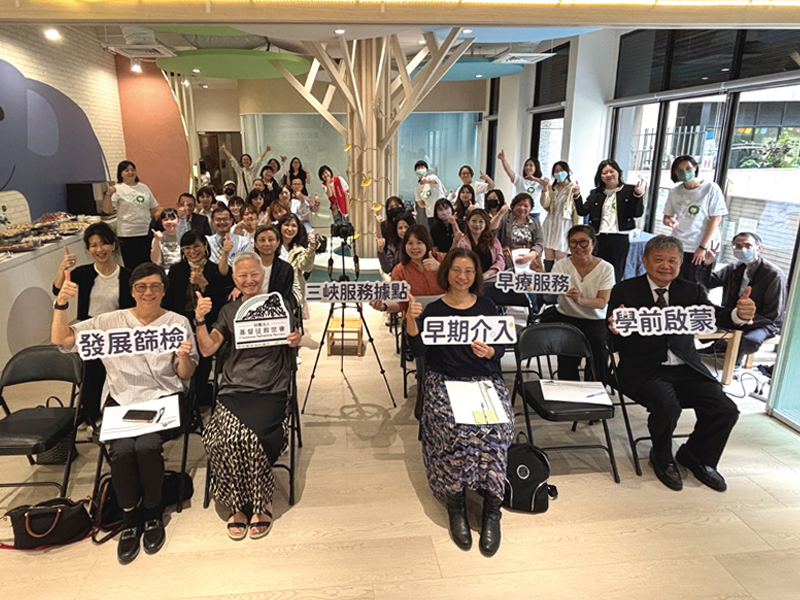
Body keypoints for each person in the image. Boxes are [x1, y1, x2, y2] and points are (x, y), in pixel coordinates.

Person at [52, 263, 198, 564]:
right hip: (121, 400)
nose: (148, 292)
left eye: (155, 286)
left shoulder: (177, 323)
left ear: (164, 290)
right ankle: (131, 516)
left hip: (162, 399)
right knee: (120, 450)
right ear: (132, 291)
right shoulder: (109, 322)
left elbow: (186, 374)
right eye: (141, 287)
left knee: (145, 447)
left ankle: (153, 512)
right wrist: (61, 303)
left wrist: (183, 355)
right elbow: (63, 339)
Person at [607, 235, 754, 492]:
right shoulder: (625, 290)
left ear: (680, 262)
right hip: (644, 369)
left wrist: (737, 314)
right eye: (659, 259)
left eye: (672, 260)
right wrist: (615, 331)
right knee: (667, 405)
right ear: (644, 261)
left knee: (725, 409)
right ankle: (662, 458)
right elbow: (610, 331)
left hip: (687, 367)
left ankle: (698, 457)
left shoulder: (691, 290)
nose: (666, 265)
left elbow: (713, 315)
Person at [407, 247, 513, 557]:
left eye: (468, 271)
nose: (462, 276)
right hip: (444, 380)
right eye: (456, 270)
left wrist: (491, 352)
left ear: (476, 275)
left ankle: (493, 507)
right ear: (446, 274)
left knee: (497, 429)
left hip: (484, 379)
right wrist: (411, 321)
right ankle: (456, 503)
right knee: (456, 430)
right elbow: (419, 350)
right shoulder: (436, 310)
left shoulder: (488, 305)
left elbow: (501, 348)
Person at [195, 251, 301, 540]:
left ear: (262, 274)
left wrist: (296, 339)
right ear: (234, 278)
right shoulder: (228, 311)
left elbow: (295, 338)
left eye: (254, 274)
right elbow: (207, 349)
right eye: (242, 275)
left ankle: (261, 501)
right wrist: (200, 320)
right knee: (216, 438)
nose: (249, 279)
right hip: (233, 389)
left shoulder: (279, 305)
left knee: (255, 437)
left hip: (271, 388)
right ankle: (237, 501)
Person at [52, 222, 134, 423]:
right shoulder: (84, 273)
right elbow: (57, 290)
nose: (100, 249)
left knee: (120, 373)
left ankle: (119, 411)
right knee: (92, 374)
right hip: (90, 330)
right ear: (88, 250)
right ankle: (93, 417)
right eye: (94, 245)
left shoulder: (127, 275)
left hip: (118, 331)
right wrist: (63, 268)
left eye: (104, 243)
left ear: (113, 245)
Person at [163, 230, 231, 405]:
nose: (192, 251)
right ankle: (181, 397)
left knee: (203, 354)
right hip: (180, 322)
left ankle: (197, 398)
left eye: (196, 246)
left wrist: (204, 285)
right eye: (187, 248)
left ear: (205, 246)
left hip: (207, 323)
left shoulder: (215, 269)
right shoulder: (177, 270)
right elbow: (169, 301)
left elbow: (221, 304)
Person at [540, 225, 614, 381]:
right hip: (567, 317)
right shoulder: (562, 265)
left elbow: (602, 303)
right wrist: (541, 274)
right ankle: (569, 391)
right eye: (573, 243)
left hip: (595, 319)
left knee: (598, 350)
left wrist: (581, 300)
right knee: (567, 353)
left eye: (583, 242)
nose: (578, 247)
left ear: (593, 243)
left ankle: (596, 389)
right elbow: (549, 292)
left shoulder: (606, 269)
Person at [702, 231, 787, 365]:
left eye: (748, 245)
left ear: (758, 248)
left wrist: (744, 319)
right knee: (703, 314)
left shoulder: (773, 274)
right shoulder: (733, 268)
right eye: (738, 246)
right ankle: (719, 346)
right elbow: (709, 282)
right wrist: (707, 264)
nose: (743, 249)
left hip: (763, 322)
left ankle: (735, 359)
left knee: (750, 340)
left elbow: (773, 313)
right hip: (735, 314)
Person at [575, 159, 645, 282]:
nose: (608, 175)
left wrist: (638, 196)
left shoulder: (630, 191)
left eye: (611, 171)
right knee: (597, 271)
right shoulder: (596, 193)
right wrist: (577, 195)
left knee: (615, 272)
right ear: (600, 176)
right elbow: (582, 211)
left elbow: (637, 213)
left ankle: (612, 299)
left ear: (618, 172)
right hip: (598, 237)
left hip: (619, 237)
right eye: (604, 173)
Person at [663, 155, 728, 284]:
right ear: (675, 172)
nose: (685, 172)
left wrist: (702, 247)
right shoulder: (675, 192)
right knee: (677, 284)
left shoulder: (711, 189)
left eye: (688, 168)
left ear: (695, 168)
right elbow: (667, 217)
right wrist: (669, 221)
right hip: (680, 245)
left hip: (703, 247)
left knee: (699, 286)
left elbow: (716, 219)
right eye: (680, 170)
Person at [103, 161, 159, 270]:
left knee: (147, 265)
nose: (130, 172)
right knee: (131, 266)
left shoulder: (144, 188)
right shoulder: (118, 188)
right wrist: (109, 194)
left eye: (133, 170)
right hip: (127, 234)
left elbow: (153, 208)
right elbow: (107, 210)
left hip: (145, 232)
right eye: (126, 170)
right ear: (121, 173)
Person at [541, 161, 581, 266]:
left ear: (567, 171)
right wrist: (545, 189)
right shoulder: (552, 188)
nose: (559, 173)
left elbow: (577, 212)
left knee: (561, 257)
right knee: (548, 255)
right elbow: (545, 205)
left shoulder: (574, 188)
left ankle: (559, 280)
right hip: (550, 223)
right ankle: (548, 279)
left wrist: (577, 230)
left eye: (561, 170)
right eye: (556, 171)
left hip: (564, 224)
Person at [493, 192, 544, 271]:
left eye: (526, 206)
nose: (522, 208)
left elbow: (539, 242)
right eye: (519, 205)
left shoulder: (535, 223)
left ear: (531, 209)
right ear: (513, 206)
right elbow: (492, 230)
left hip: (529, 261)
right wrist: (500, 214)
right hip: (507, 260)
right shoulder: (505, 219)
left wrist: (532, 255)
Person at [278, 212, 316, 311]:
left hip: (293, 290)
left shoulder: (299, 250)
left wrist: (311, 248)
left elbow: (306, 267)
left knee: (285, 305)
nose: (289, 229)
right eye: (286, 225)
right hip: (273, 286)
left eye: (293, 226)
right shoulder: (272, 246)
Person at [497, 150, 546, 220]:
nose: (528, 167)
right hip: (520, 212)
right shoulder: (520, 180)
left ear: (536, 168)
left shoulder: (539, 183)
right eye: (526, 165)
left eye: (531, 165)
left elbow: (548, 185)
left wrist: (535, 179)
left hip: (534, 213)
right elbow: (509, 171)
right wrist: (503, 160)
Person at [457, 209, 504, 281]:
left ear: (486, 224)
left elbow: (500, 261)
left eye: (481, 221)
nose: (477, 224)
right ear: (468, 222)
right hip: (469, 281)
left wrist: (487, 274)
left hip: (491, 279)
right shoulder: (462, 243)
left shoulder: (494, 241)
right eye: (474, 221)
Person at [207, 205, 254, 276]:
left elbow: (246, 265)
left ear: (231, 221)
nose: (222, 222)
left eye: (225, 219)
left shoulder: (243, 242)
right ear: (212, 222)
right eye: (218, 220)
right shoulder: (207, 242)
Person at [377, 212, 415, 277]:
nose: (403, 230)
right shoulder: (392, 245)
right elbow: (387, 269)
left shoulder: (418, 244)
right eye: (400, 228)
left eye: (406, 227)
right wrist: (381, 250)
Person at [414, 160, 447, 229]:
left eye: (422, 167)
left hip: (443, 213)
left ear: (427, 169)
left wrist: (425, 180)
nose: (420, 169)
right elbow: (421, 204)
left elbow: (431, 180)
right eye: (418, 168)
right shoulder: (417, 188)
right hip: (430, 215)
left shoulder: (433, 177)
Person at [150, 208, 181, 273]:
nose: (169, 222)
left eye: (172, 219)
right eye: (165, 219)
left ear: (178, 220)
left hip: (182, 270)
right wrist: (157, 240)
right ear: (161, 222)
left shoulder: (184, 235)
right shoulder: (158, 237)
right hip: (166, 271)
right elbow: (156, 262)